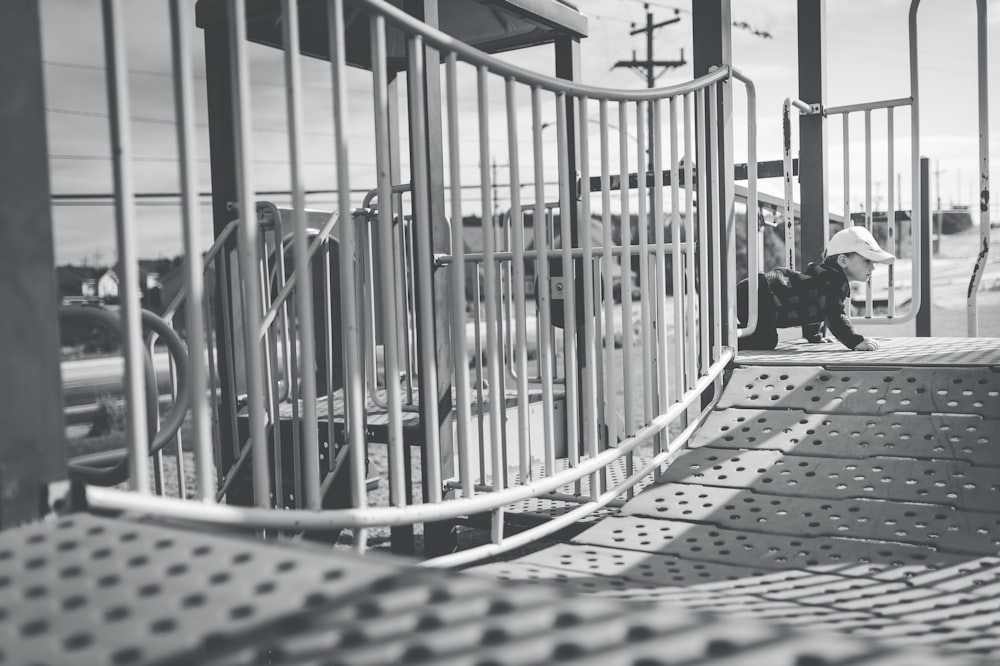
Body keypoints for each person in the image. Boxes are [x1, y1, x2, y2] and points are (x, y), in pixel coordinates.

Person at [736, 225, 895, 351]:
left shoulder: (825, 279)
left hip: (757, 290)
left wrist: (815, 336)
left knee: (760, 335)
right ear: (843, 261)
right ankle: (727, 340)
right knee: (765, 340)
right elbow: (833, 313)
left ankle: (730, 334)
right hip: (761, 293)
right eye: (867, 261)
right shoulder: (835, 281)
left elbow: (812, 306)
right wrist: (854, 341)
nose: (872, 267)